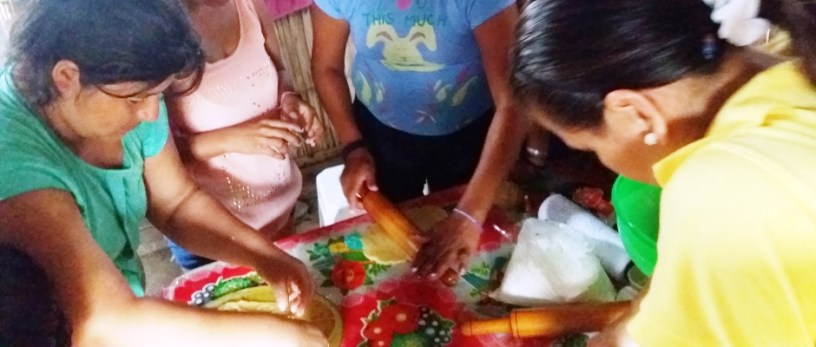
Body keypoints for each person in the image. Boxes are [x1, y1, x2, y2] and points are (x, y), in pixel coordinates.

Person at [0, 0, 325, 346]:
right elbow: (103, 321)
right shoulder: (13, 157)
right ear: (66, 77)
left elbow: (176, 203)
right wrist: (274, 335)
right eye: (137, 98)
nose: (152, 114)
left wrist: (264, 255)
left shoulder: (124, 97)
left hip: (127, 307)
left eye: (158, 94)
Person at [512, 0, 816, 345]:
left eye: (590, 148)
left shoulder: (725, 192)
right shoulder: (786, 46)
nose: (601, 160)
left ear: (633, 111)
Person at [310, 0, 530, 280]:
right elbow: (326, 67)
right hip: (379, 136)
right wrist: (353, 146)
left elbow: (513, 105)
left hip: (470, 137)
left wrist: (470, 215)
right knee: (394, 248)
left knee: (470, 256)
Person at [165, 0, 323, 270]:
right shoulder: (157, 32)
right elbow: (157, 158)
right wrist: (237, 139)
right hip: (212, 234)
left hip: (280, 207)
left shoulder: (248, 5)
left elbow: (280, 72)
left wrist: (289, 100)